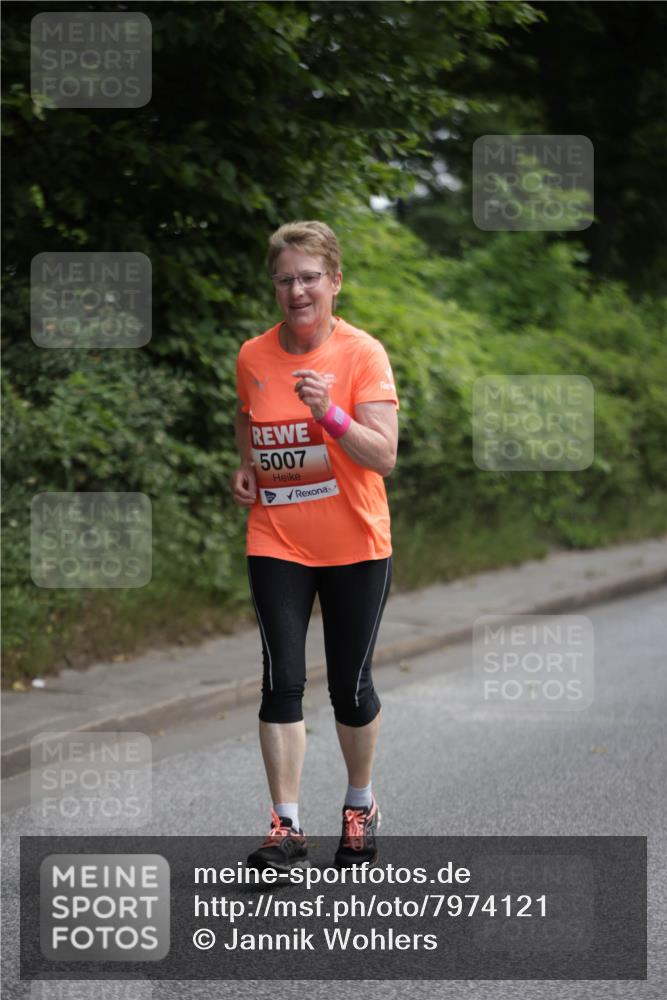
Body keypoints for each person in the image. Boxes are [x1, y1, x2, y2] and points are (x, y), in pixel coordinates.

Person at [231, 220, 399, 872]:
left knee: (350, 689)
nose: (296, 290)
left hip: (356, 542)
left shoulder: (362, 354)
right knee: (281, 680)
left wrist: (330, 414)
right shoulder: (253, 355)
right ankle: (286, 827)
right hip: (276, 537)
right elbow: (247, 416)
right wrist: (246, 466)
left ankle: (358, 806)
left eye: (308, 277)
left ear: (333, 281)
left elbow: (382, 456)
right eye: (284, 279)